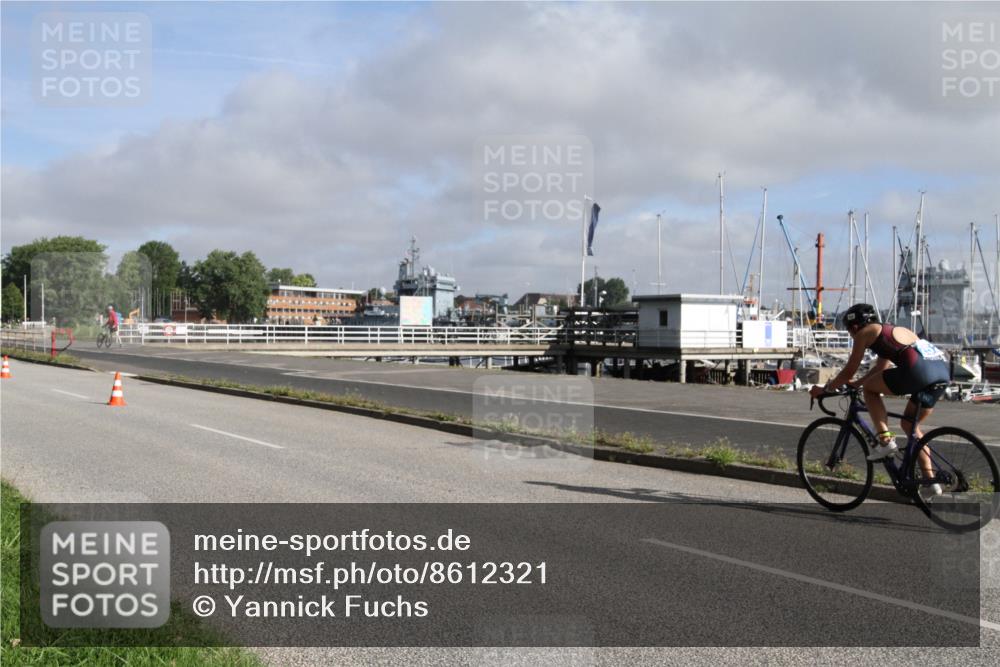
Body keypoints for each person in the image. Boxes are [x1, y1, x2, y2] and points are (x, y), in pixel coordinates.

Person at [809, 303, 950, 497]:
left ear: (855, 326)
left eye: (850, 331)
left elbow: (849, 369)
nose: (851, 335)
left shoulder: (864, 332)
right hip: (940, 373)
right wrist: (855, 383)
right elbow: (880, 369)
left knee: (870, 390)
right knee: (910, 426)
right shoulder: (888, 331)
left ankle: (886, 440)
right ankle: (930, 480)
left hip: (917, 371)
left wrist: (825, 389)